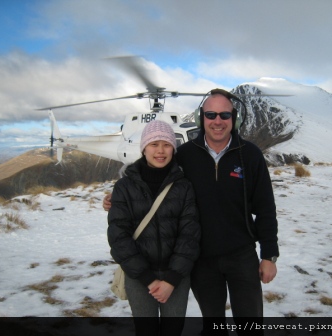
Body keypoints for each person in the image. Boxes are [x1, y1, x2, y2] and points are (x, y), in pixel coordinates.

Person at [105, 89, 279, 335]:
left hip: (242, 256)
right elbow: (156, 180)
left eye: (224, 115)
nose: (217, 121)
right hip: (202, 260)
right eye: (210, 114)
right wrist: (118, 198)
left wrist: (269, 255)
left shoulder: (250, 155)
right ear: (201, 118)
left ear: (234, 118)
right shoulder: (185, 155)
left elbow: (265, 207)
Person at [107, 120, 200, 336]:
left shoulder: (184, 186)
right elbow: (118, 236)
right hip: (139, 277)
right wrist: (148, 279)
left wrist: (172, 279)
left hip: (176, 276)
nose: (160, 151)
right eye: (154, 144)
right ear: (144, 148)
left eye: (166, 145)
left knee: (173, 330)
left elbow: (190, 235)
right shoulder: (124, 187)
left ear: (173, 149)